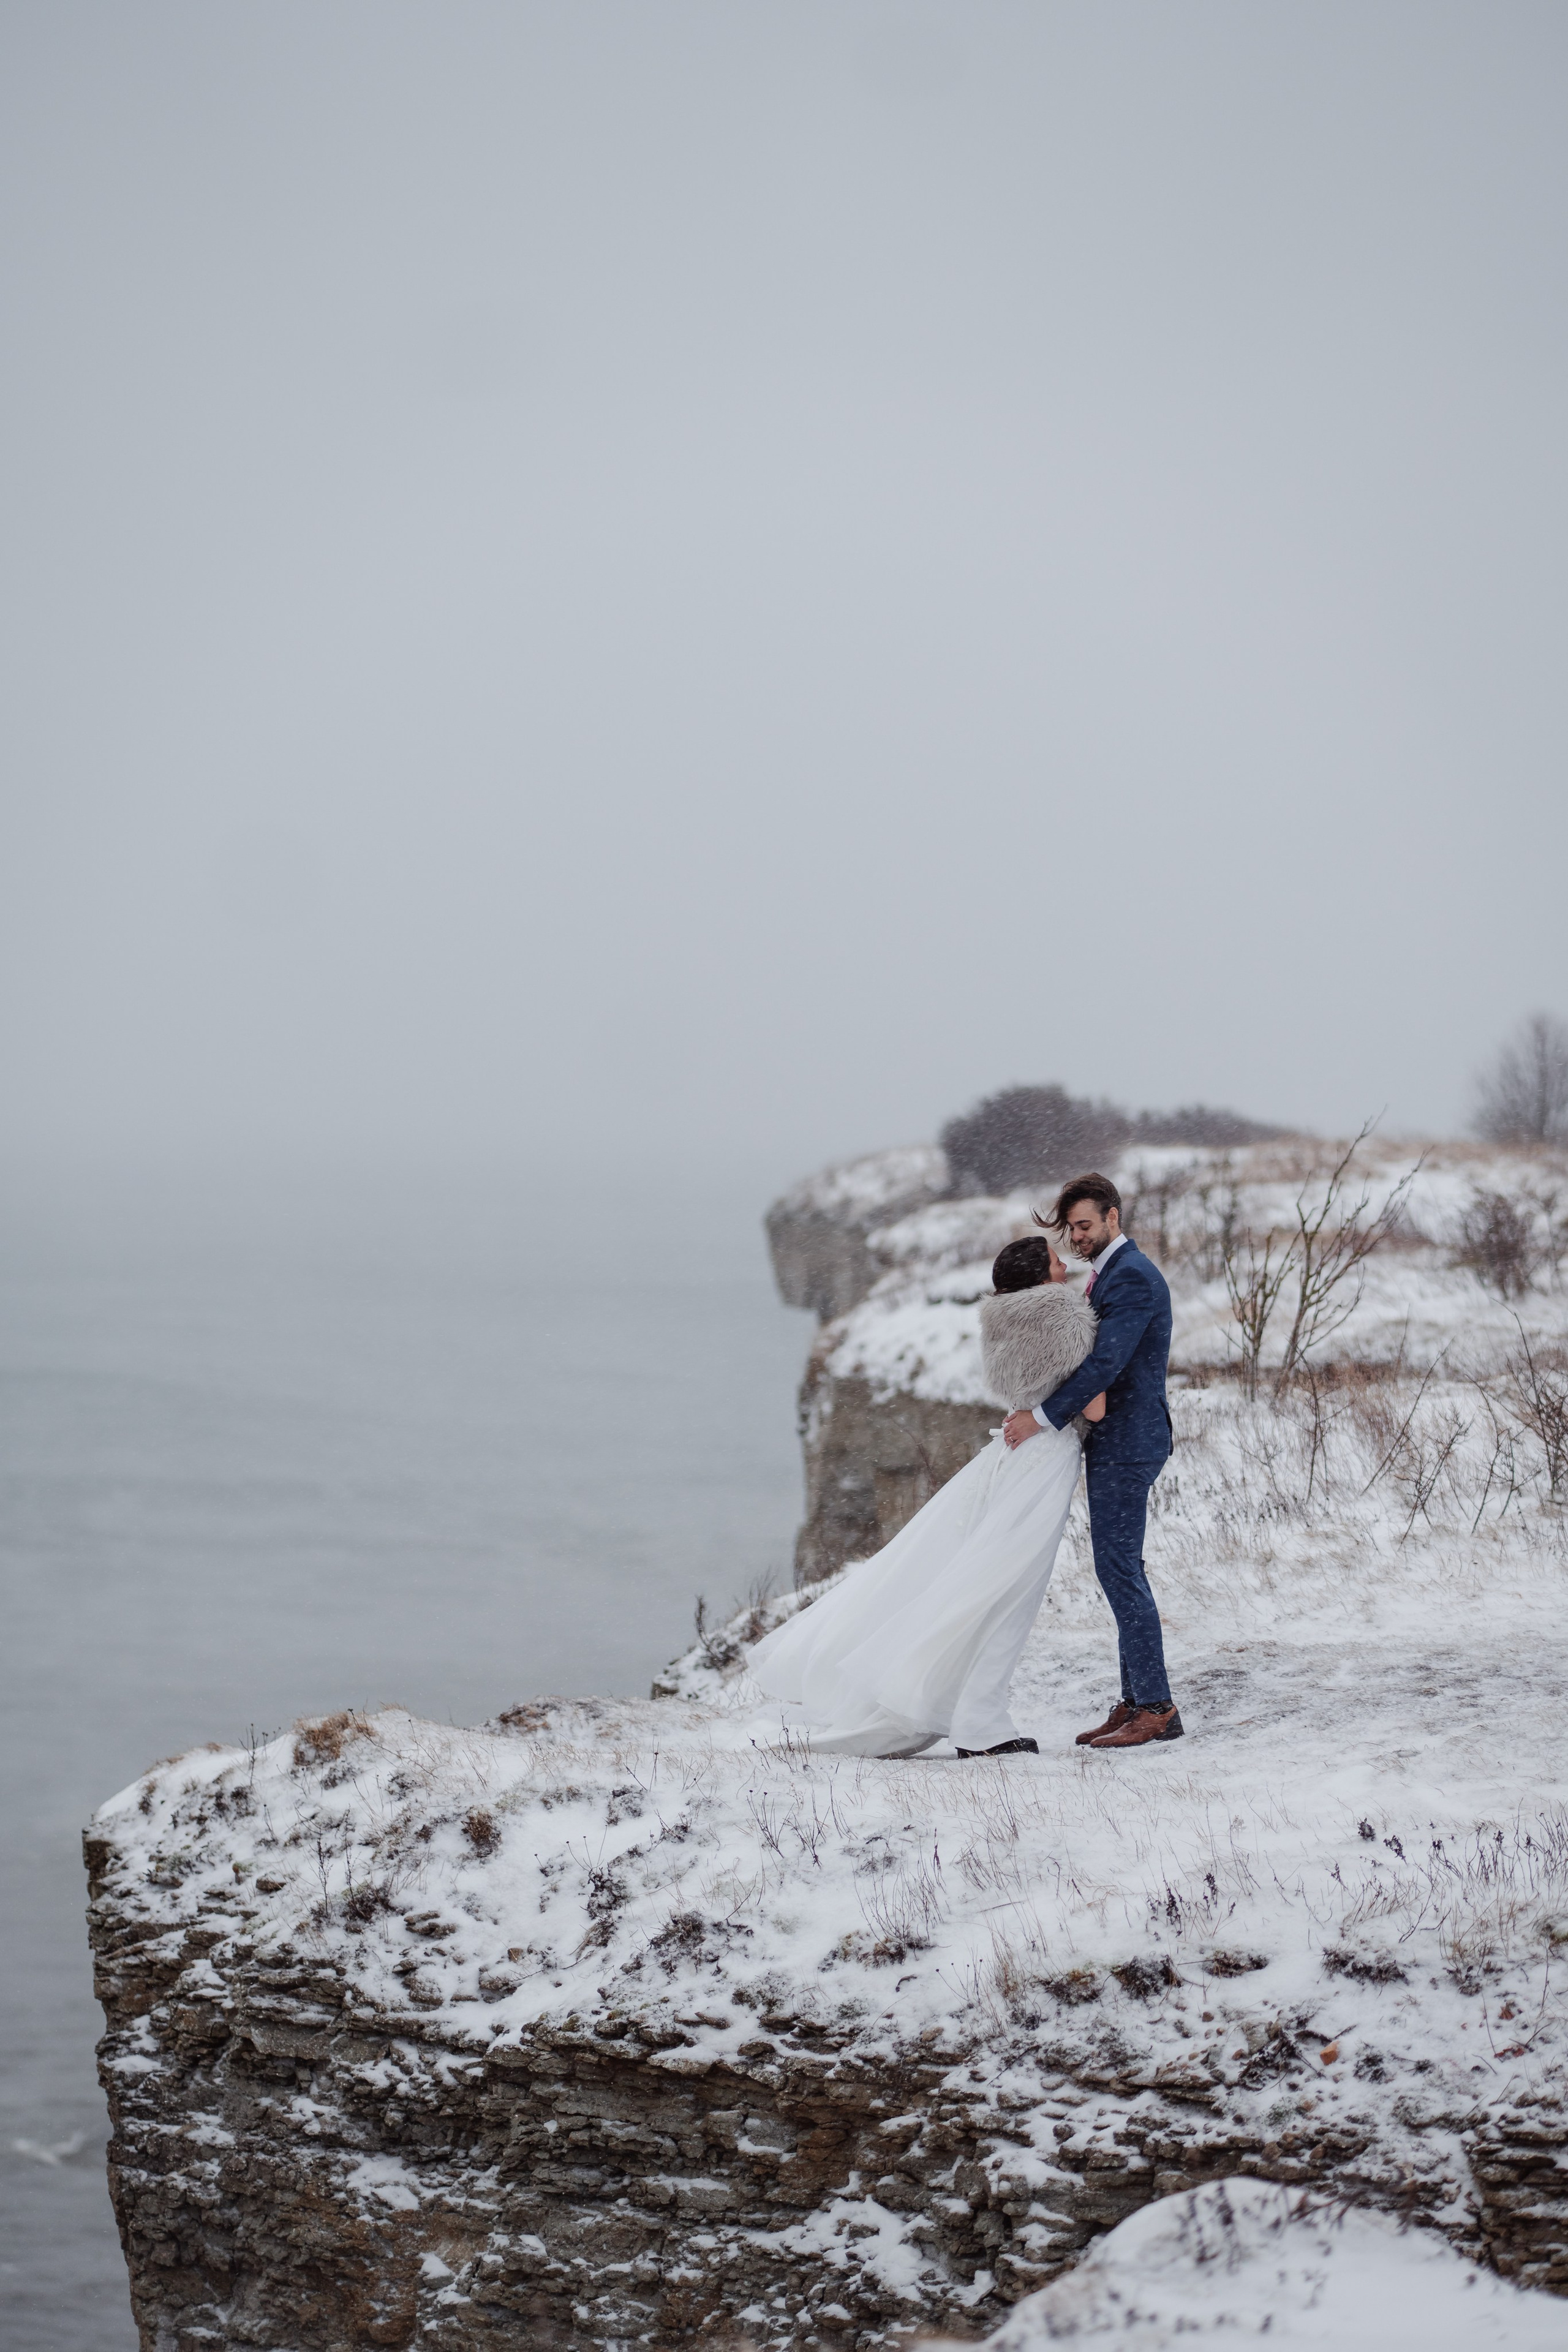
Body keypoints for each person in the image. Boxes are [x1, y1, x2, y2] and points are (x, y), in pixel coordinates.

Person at [748, 1236, 1104, 1758]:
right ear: (1039, 1276)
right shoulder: (1065, 1319)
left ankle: (978, 1717)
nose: (1065, 1266)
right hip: (1044, 1460)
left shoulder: (1003, 1319)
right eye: (1056, 1261)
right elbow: (1092, 1408)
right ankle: (980, 1723)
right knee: (1007, 1593)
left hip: (1011, 1457)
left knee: (987, 1586)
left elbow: (1031, 1389)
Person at [1003, 1173, 1182, 1749]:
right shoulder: (1111, 1273)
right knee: (1119, 1568)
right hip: (1117, 1441)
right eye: (1072, 1229)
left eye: (1085, 1225)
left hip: (1131, 1442)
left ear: (1113, 1217)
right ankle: (1137, 1701)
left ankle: (1156, 1708)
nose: (1077, 1238)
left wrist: (1041, 1418)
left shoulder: (1131, 1278)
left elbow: (1104, 1365)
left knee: (1120, 1571)